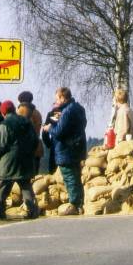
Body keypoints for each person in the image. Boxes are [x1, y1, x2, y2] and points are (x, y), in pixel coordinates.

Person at [0, 100, 39, 220]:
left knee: (2, 185)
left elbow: (0, 145)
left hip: (9, 159)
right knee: (25, 185)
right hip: (26, 159)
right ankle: (32, 211)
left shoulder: (4, 125)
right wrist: (29, 153)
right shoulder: (27, 122)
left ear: (3, 112)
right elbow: (35, 141)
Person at [42, 87, 87, 216]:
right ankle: (80, 204)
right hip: (77, 147)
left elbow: (59, 132)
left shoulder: (67, 111)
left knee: (69, 177)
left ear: (62, 98)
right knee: (76, 177)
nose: (56, 102)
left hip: (65, 150)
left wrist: (50, 127)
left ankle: (74, 204)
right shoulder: (79, 108)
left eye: (57, 99)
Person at [17, 91, 44, 174]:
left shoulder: (21, 112)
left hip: (25, 149)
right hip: (37, 148)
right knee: (34, 176)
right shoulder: (37, 113)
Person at [42, 103, 62, 173]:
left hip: (54, 146)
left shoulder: (51, 114)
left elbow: (44, 133)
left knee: (53, 172)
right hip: (68, 148)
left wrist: (49, 144)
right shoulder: (69, 112)